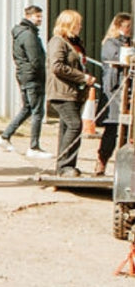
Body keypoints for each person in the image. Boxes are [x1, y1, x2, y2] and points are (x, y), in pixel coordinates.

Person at [46, 9, 96, 177]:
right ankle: (65, 164)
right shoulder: (58, 42)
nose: (80, 27)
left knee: (67, 127)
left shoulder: (74, 42)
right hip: (61, 92)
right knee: (75, 125)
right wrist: (82, 77)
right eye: (77, 24)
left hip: (74, 92)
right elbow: (57, 66)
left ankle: (65, 166)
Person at [0, 5, 50, 157]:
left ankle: (5, 136)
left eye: (40, 16)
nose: (40, 19)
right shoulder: (28, 35)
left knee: (27, 108)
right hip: (32, 77)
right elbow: (36, 59)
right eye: (37, 16)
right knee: (37, 111)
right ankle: (34, 147)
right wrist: (41, 74)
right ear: (28, 16)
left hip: (24, 75)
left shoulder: (22, 33)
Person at [96, 13, 132, 175]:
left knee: (128, 130)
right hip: (114, 91)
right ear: (118, 26)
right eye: (127, 26)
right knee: (111, 129)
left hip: (128, 91)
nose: (130, 30)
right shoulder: (110, 43)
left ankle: (124, 167)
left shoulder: (129, 42)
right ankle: (101, 162)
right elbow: (117, 59)